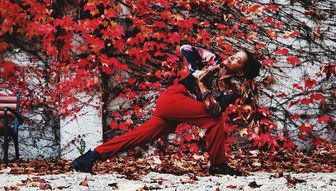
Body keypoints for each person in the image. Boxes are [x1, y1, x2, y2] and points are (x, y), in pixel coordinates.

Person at [71, 44, 261, 175]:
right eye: (235, 54)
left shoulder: (230, 91)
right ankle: (218, 165)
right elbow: (186, 48)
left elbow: (214, 109)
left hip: (183, 109)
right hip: (174, 98)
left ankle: (90, 157)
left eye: (238, 59)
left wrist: (202, 85)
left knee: (140, 135)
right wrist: (195, 72)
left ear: (241, 71)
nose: (232, 57)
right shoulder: (212, 61)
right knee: (215, 120)